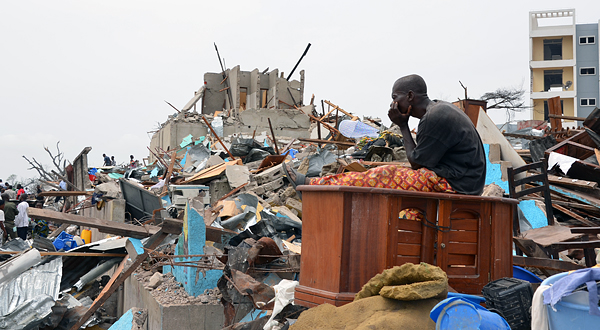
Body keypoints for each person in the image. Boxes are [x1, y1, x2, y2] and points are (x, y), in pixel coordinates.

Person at [284, 74, 486, 201]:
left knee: (383, 175)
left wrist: (403, 125)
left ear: (409, 96)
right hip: (463, 182)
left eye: (394, 98)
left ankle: (314, 187)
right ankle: (319, 188)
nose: (392, 104)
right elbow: (422, 161)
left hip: (457, 186)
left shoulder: (436, 116)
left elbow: (417, 163)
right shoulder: (439, 110)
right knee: (390, 175)